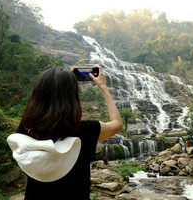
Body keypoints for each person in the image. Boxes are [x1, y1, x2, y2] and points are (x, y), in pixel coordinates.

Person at [7, 66, 122, 200]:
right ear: (73, 97)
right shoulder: (86, 130)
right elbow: (117, 123)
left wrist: (64, 81)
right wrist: (103, 87)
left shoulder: (26, 130)